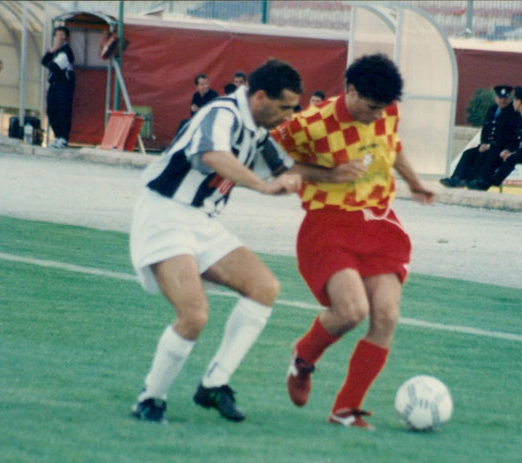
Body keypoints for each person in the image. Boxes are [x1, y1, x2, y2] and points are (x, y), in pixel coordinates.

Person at [129, 59, 304, 424]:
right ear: (259, 97)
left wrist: (338, 173)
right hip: (166, 215)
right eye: (284, 107)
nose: (288, 116)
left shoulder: (257, 129)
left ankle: (214, 383)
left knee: (264, 287)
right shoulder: (221, 112)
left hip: (201, 221)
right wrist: (262, 185)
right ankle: (151, 399)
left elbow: (285, 170)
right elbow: (211, 154)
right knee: (194, 316)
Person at [272, 54, 435, 431]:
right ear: (351, 90)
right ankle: (303, 357)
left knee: (387, 315)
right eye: (372, 108)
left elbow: (392, 146)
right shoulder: (310, 123)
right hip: (329, 224)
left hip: (379, 224)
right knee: (351, 311)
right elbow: (270, 161)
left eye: (384, 109)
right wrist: (327, 174)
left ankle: (345, 409)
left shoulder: (386, 111)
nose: (379, 116)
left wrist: (412, 181)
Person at [468, 86, 522, 191]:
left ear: (519, 102)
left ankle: (491, 182)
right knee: (499, 154)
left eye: (514, 100)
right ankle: (480, 180)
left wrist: (515, 153)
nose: (513, 103)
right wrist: (510, 150)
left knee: (511, 158)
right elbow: (520, 140)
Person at [440, 85, 520, 188]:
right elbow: (486, 129)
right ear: (495, 98)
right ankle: (457, 178)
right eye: (500, 98)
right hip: (488, 146)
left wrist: (490, 146)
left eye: (505, 98)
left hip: (502, 148)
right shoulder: (492, 110)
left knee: (488, 156)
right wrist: (484, 143)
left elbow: (509, 135)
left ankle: (479, 182)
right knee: (468, 154)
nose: (502, 101)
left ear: (510, 98)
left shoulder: (514, 113)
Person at [42, 26, 75, 148]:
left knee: (63, 111)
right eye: (58, 35)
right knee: (51, 110)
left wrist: (50, 59)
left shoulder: (66, 51)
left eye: (62, 35)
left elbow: (53, 66)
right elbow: (44, 61)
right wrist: (51, 51)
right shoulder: (56, 50)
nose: (60, 37)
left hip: (64, 85)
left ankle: (63, 137)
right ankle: (57, 136)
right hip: (54, 84)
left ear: (66, 37)